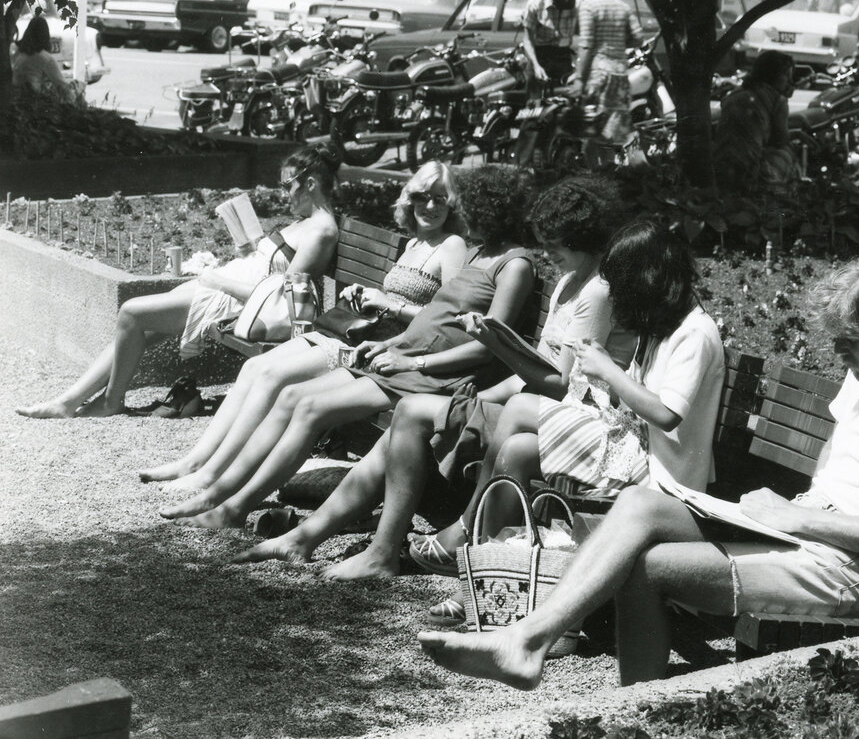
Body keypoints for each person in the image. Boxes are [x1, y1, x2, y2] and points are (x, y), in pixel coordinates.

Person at [418, 253, 859, 689]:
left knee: (649, 566)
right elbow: (835, 462)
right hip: (800, 528)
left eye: (850, 342)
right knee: (640, 504)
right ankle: (529, 640)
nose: (838, 352)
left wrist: (798, 520)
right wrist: (794, 510)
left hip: (845, 566)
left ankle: (633, 703)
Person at [234, 176, 636, 576]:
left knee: (410, 412)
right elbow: (532, 373)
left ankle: (376, 551)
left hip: (561, 418)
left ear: (582, 237)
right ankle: (309, 538)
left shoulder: (595, 292)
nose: (547, 253)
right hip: (526, 405)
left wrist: (492, 345)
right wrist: (478, 397)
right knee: (405, 421)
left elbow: (562, 385)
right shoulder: (570, 281)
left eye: (555, 243)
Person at [157, 166, 536, 527]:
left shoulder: (510, 263)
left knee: (310, 408)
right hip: (401, 353)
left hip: (431, 372)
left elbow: (488, 345)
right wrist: (388, 343)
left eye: (461, 205)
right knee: (293, 397)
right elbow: (436, 318)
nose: (457, 213)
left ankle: (233, 508)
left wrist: (410, 360)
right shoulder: (478, 253)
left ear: (490, 211)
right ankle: (219, 495)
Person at [409, 217, 724, 592]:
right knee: (518, 449)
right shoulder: (666, 326)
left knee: (520, 408)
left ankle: (470, 535)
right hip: (637, 446)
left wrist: (607, 370)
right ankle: (487, 565)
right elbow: (636, 397)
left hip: (661, 474)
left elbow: (666, 415)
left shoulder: (695, 333)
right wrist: (598, 376)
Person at [138, 161, 467, 489]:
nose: (430, 206)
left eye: (440, 198)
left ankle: (212, 475)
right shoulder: (414, 243)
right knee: (254, 368)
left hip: (381, 345)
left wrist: (390, 304)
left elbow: (449, 317)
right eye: (423, 197)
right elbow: (394, 297)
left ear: (452, 203)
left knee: (271, 377)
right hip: (358, 328)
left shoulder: (452, 245)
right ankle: (195, 462)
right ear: (410, 199)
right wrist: (364, 293)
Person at [16, 147, 340, 420]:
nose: (283, 193)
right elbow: (272, 269)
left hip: (239, 302)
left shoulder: (321, 231)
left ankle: (110, 402)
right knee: (144, 327)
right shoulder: (307, 223)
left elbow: (282, 295)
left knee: (131, 313)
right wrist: (248, 250)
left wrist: (218, 281)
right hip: (227, 286)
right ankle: (68, 402)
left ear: (310, 183)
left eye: (288, 185)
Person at [569, 0, 644, 143]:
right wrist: (618, 42)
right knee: (613, 132)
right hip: (620, 74)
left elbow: (586, 45)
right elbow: (638, 37)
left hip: (598, 74)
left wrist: (579, 79)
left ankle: (594, 161)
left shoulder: (588, 6)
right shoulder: (622, 6)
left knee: (592, 130)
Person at [713, 49, 799, 194]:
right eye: (786, 76)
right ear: (773, 75)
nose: (790, 81)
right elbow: (780, 140)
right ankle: (785, 194)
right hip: (750, 174)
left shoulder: (736, 93)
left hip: (719, 169)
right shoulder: (777, 100)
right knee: (787, 153)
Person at [521, 0, 579, 88]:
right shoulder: (536, 4)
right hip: (540, 55)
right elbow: (527, 39)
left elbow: (583, 37)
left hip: (563, 55)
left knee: (564, 94)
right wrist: (536, 66)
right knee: (535, 93)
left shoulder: (579, 4)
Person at [11, 15, 70, 96]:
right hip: (35, 99)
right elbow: (62, 85)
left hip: (17, 97)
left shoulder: (19, 54)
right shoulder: (45, 58)